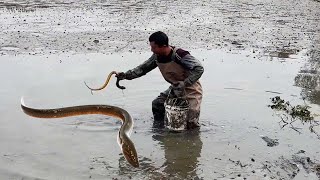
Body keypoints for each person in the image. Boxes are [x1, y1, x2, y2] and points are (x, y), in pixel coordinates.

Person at [116, 31, 204, 130]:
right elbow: (143, 68)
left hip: (191, 89)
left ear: (163, 46)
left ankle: (192, 138)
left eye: (154, 47)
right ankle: (160, 129)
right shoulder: (157, 57)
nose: (152, 50)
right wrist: (126, 75)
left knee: (191, 122)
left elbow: (199, 69)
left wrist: (185, 83)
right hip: (175, 88)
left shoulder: (180, 55)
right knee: (157, 104)